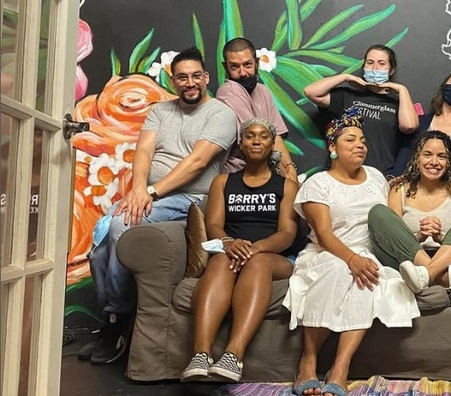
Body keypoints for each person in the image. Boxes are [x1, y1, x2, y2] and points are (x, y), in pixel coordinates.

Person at [86, 47, 237, 365]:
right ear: (173, 80)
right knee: (99, 241)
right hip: (154, 194)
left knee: (121, 225)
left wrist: (150, 193)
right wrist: (138, 189)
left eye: (196, 75)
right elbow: (143, 152)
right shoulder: (160, 111)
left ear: (206, 77)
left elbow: (197, 162)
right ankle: (113, 323)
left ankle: (117, 317)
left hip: (194, 199)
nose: (190, 82)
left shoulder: (221, 114)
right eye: (182, 77)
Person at [283, 110, 419, 396]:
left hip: (368, 253)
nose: (361, 145)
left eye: (363, 140)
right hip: (326, 252)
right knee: (337, 270)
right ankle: (308, 361)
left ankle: (340, 367)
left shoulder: (376, 178)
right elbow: (324, 234)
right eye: (351, 140)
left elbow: (389, 219)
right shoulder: (317, 184)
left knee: (367, 275)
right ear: (332, 148)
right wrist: (352, 259)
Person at [180, 118, 301, 382]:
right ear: (241, 144)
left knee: (257, 263)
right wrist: (229, 243)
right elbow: (213, 224)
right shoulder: (223, 183)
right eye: (250, 136)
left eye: (263, 137)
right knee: (220, 262)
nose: (256, 141)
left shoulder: (287, 186)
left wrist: (255, 249)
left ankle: (234, 355)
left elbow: (287, 234)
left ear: (272, 145)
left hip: (273, 258)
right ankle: (200, 355)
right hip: (230, 252)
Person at [368, 130, 451, 293]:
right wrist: (419, 236)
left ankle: (427, 275)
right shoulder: (399, 190)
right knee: (378, 212)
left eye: (441, 156)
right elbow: (393, 237)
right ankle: (442, 278)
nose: (434, 162)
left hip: (450, 260)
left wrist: (440, 237)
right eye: (427, 154)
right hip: (408, 263)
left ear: (448, 162)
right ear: (417, 158)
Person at [304, 44, 418, 177]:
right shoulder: (347, 95)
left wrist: (402, 89)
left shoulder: (399, 103)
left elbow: (409, 126)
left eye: (381, 63)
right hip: (342, 174)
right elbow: (310, 92)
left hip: (379, 176)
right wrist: (345, 77)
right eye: (370, 63)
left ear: (391, 70)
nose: (375, 68)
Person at [217, 37, 297, 182]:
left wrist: (290, 171)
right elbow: (255, 140)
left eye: (247, 65)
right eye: (234, 67)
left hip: (265, 170)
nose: (242, 73)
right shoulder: (229, 91)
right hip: (238, 175)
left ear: (257, 63)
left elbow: (276, 136)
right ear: (225, 67)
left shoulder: (263, 90)